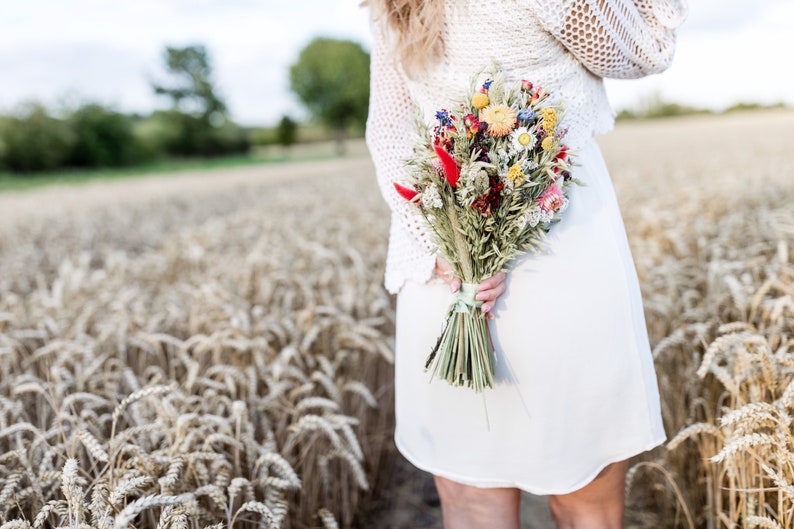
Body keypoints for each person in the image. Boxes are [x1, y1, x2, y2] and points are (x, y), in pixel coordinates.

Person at [364, 1, 687, 527]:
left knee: (473, 502)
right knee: (587, 502)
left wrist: (444, 244)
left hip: (444, 263)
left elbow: (391, 128)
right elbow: (645, 51)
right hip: (560, 249)